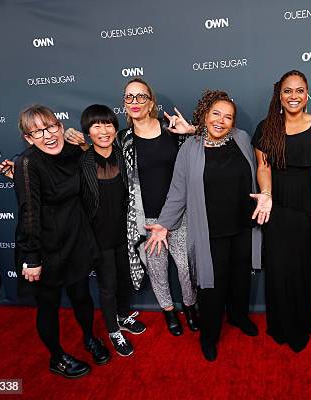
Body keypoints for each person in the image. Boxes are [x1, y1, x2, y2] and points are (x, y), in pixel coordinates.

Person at [146, 90, 262, 361]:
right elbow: (178, 191)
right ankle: (209, 335)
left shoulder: (242, 139)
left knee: (241, 280)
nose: (221, 121)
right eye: (215, 114)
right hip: (211, 232)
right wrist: (164, 224)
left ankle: (238, 317)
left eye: (228, 117)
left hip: (244, 227)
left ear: (234, 122)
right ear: (205, 114)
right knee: (211, 288)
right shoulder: (190, 148)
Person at [12, 105, 109, 378]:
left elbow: (92, 177)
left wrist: (83, 145)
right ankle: (57, 358)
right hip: (44, 249)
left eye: (52, 126)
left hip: (75, 240)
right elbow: (29, 212)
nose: (48, 135)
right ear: (29, 139)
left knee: (81, 296)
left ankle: (90, 338)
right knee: (49, 306)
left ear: (60, 126)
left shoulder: (70, 151)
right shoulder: (27, 163)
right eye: (38, 132)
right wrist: (32, 257)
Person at [252, 70, 311, 352]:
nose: (294, 96)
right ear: (279, 96)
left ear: (307, 94)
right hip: (276, 205)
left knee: (304, 267)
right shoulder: (267, 126)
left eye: (299, 90)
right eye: (288, 91)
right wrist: (265, 194)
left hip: (307, 205)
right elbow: (264, 166)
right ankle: (280, 324)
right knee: (279, 266)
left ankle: (303, 322)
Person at [117, 78, 198, 335]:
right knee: (157, 270)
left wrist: (191, 131)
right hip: (146, 219)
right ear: (124, 104)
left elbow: (204, 151)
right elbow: (99, 160)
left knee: (186, 269)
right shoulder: (123, 139)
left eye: (141, 96)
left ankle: (190, 308)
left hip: (178, 214)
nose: (134, 102)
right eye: (129, 97)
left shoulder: (171, 129)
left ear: (151, 102)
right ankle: (168, 312)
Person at [77, 104, 147, 356]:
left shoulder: (122, 155)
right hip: (99, 237)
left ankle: (123, 316)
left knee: (125, 278)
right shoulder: (82, 161)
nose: (103, 130)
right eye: (96, 125)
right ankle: (112, 330)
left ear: (115, 128)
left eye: (108, 124)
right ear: (88, 131)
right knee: (108, 285)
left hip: (125, 234)